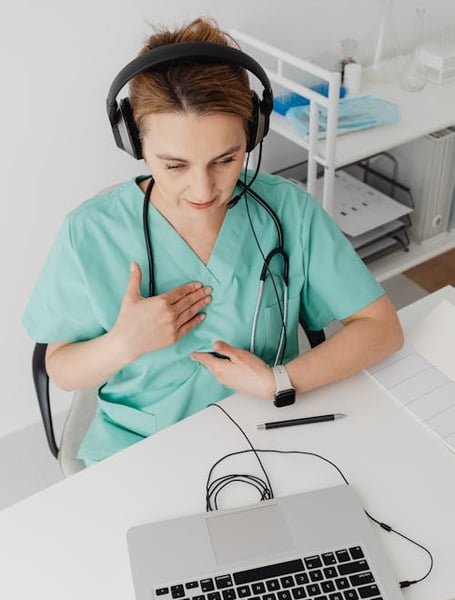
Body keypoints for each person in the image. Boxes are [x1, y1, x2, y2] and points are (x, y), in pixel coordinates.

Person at [22, 17, 403, 467]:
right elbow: (59, 366)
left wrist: (279, 381)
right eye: (175, 166)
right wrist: (123, 344)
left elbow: (382, 327)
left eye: (226, 160)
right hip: (143, 452)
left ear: (253, 132)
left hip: (271, 432)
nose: (203, 191)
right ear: (134, 143)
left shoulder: (288, 212)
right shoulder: (89, 233)